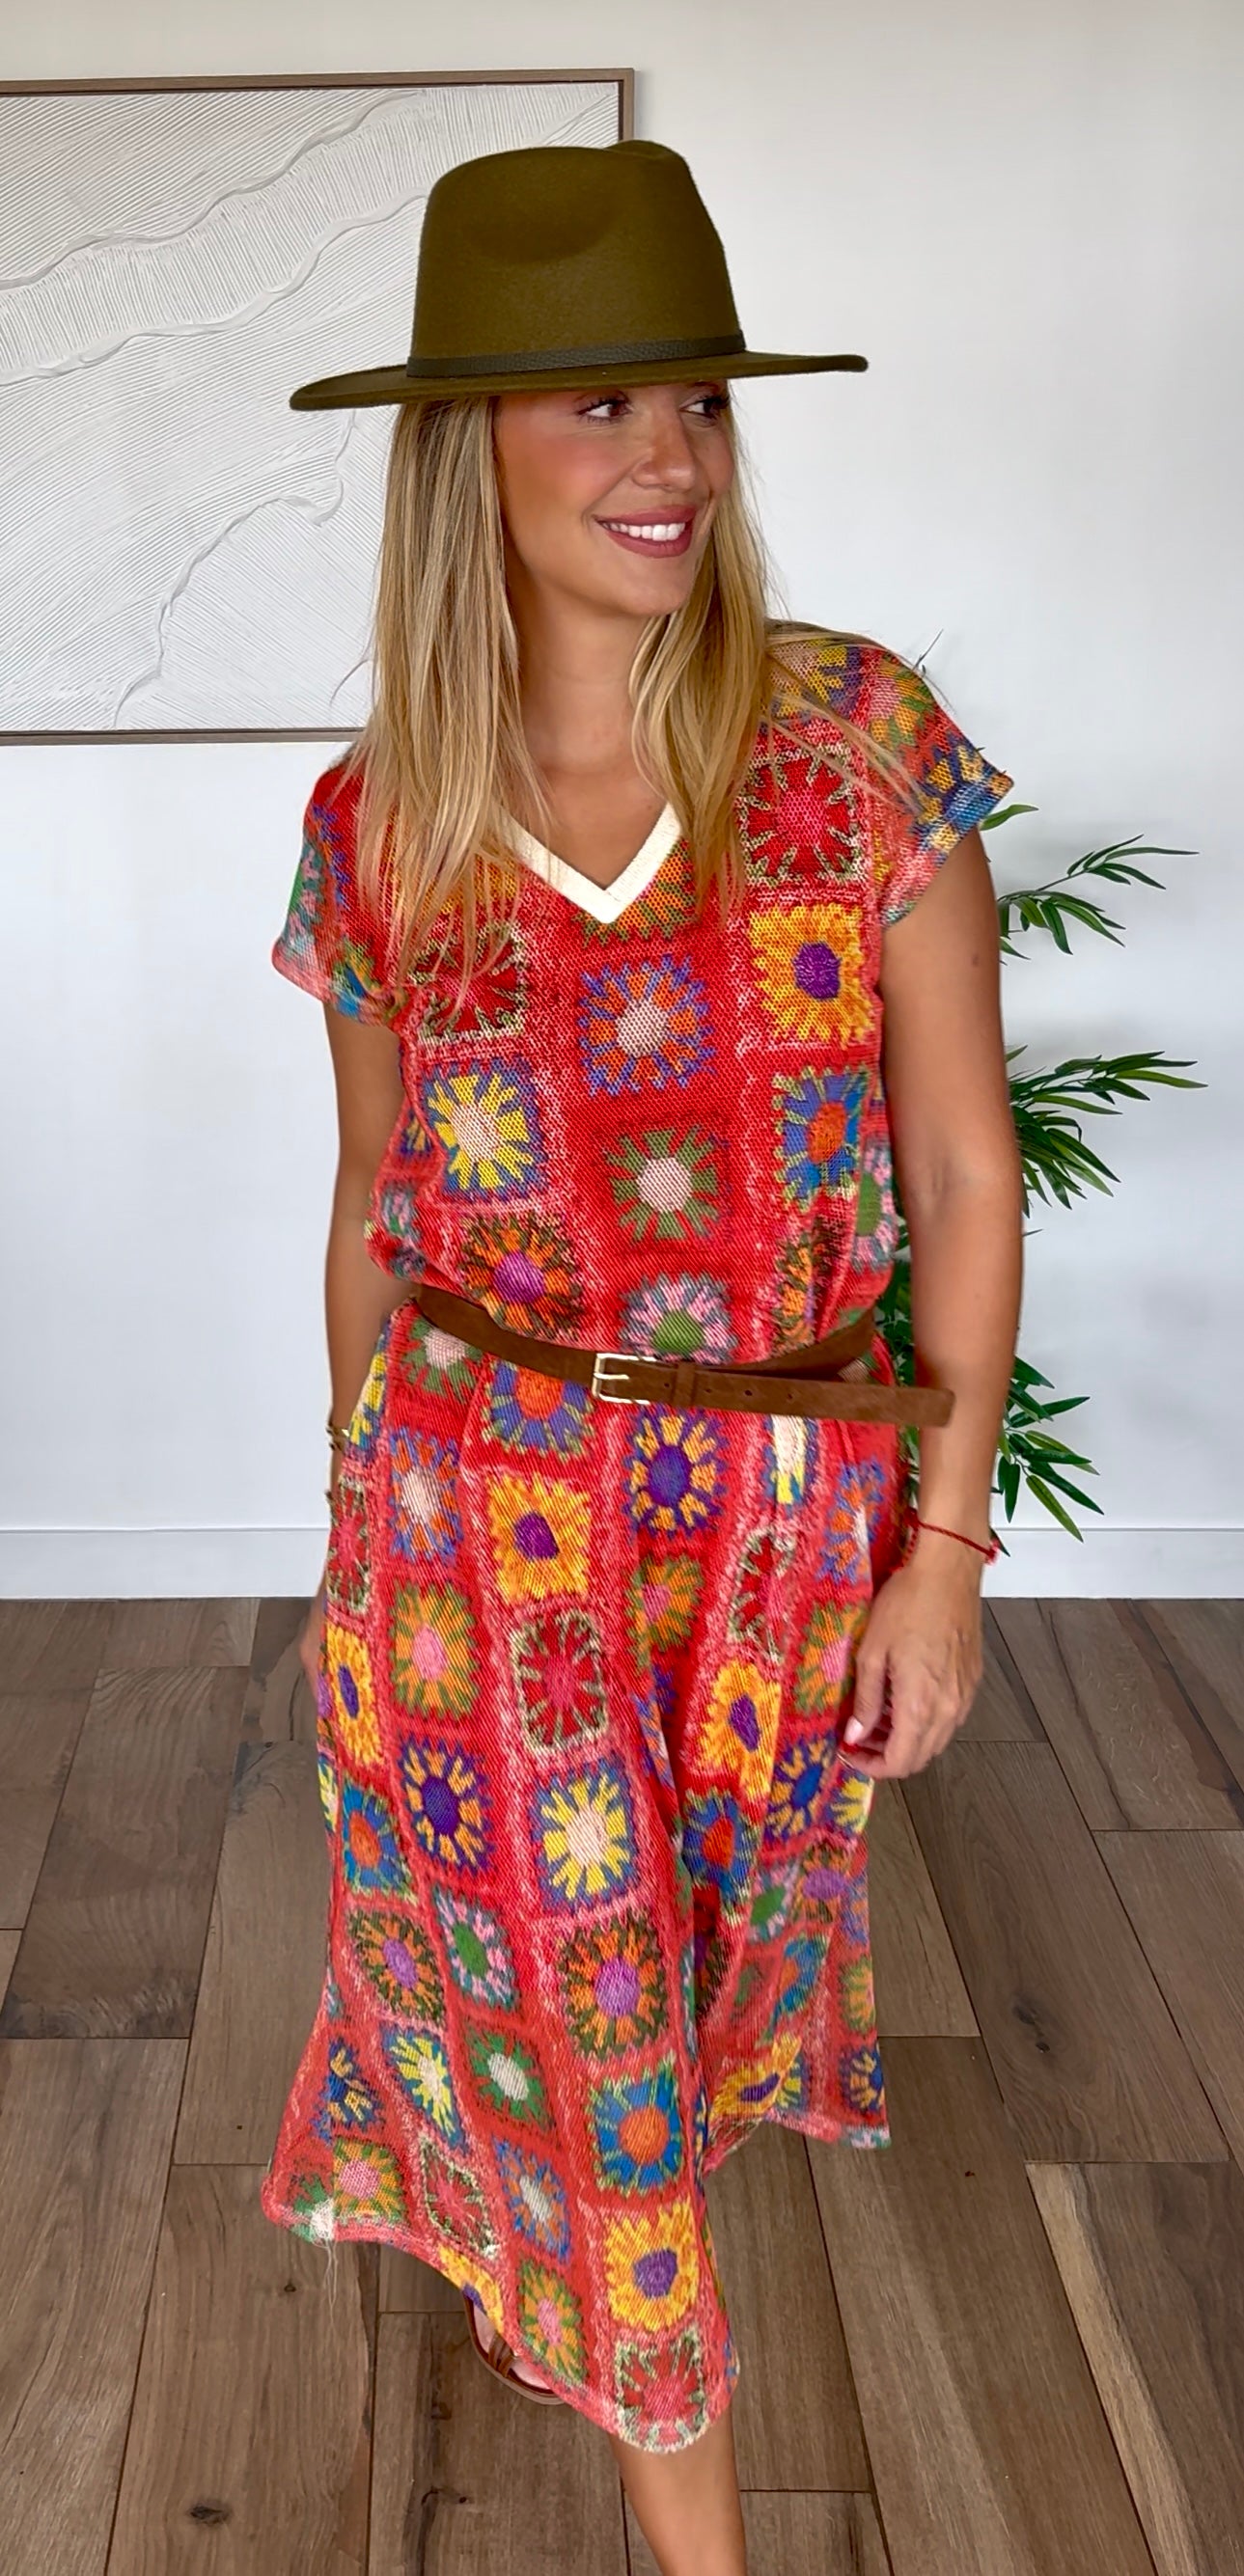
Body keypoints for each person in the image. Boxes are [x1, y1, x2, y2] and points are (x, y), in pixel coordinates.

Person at [260, 138, 1023, 2576]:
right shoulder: (385, 822)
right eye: (596, 404)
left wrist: (943, 1556)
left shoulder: (857, 748)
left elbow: (964, 1176)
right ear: (464, 452)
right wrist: (349, 1538)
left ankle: (557, 2298)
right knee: (605, 2079)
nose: (668, 455)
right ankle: (699, 2528)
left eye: (694, 399)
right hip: (475, 1527)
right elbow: (375, 1211)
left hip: (783, 1531)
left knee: (673, 2034)